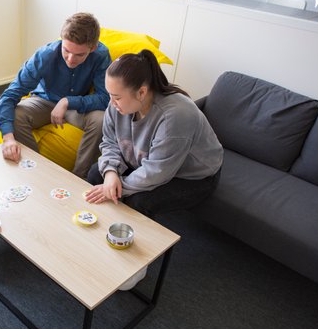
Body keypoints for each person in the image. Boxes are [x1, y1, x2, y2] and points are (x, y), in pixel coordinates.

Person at [85, 50, 223, 218]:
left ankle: (146, 242)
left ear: (142, 92)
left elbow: (157, 171)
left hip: (192, 176)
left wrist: (117, 185)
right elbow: (110, 141)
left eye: (117, 97)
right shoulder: (118, 104)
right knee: (96, 173)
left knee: (138, 202)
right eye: (110, 95)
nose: (111, 103)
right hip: (145, 161)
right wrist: (111, 173)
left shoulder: (176, 116)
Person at [0, 12, 112, 178]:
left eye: (79, 54)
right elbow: (10, 95)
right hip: (44, 100)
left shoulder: (101, 55)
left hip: (76, 107)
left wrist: (67, 101)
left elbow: (106, 98)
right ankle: (38, 172)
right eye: (66, 50)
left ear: (92, 48)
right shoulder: (45, 55)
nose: (71, 59)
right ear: (61, 40)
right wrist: (8, 138)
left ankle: (79, 178)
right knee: (17, 114)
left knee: (102, 120)